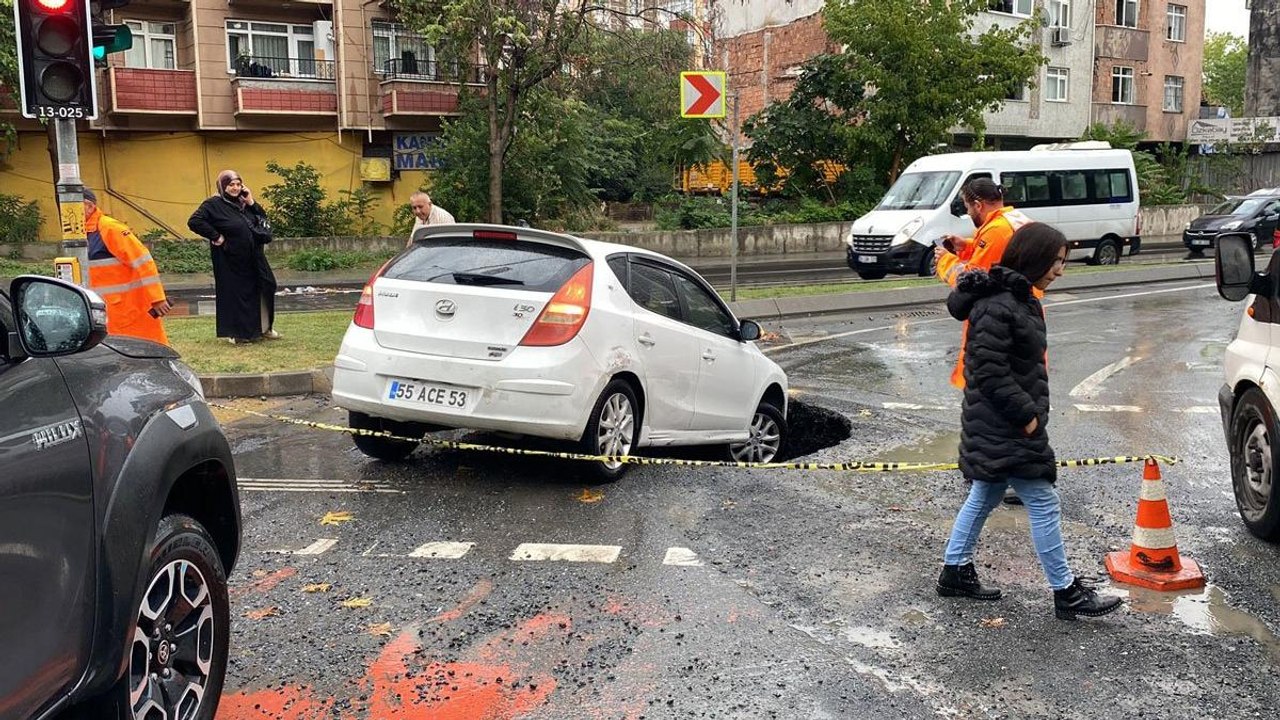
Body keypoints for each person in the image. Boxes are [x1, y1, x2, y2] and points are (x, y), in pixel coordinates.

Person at [936, 223, 1123, 621]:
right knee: (1042, 500)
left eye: (1063, 262)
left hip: (998, 423)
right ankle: (1066, 591)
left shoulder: (1021, 299)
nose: (1060, 271)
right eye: (1056, 262)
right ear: (1034, 258)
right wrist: (1028, 419)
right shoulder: (998, 305)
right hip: (1006, 424)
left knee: (985, 494)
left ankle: (954, 571)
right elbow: (987, 371)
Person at [187, 170, 280, 344]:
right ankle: (238, 333)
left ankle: (264, 327)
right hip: (231, 258)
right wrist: (217, 237)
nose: (236, 188)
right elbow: (195, 221)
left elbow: (263, 221)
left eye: (238, 184)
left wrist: (251, 202)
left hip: (254, 256)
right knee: (239, 294)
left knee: (267, 284)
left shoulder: (244, 203)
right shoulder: (213, 204)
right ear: (223, 186)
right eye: (231, 185)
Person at [83, 188, 171, 345]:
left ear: (89, 206)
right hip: (103, 307)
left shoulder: (110, 229)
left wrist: (157, 299)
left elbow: (143, 262)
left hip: (126, 308)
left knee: (143, 346)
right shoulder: (80, 235)